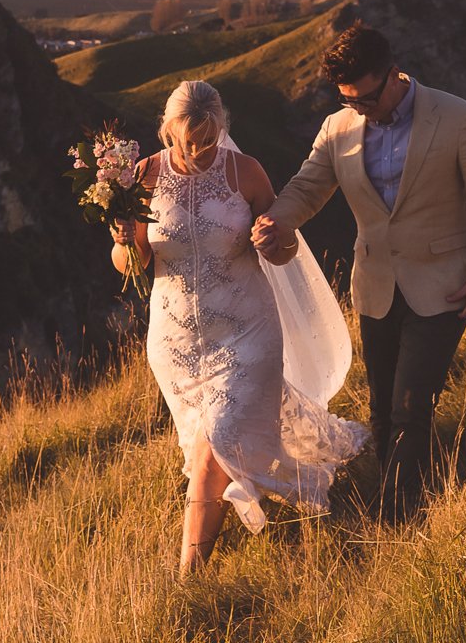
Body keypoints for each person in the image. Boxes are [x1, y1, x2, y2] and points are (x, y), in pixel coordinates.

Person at [251, 24, 466, 520]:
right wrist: (274, 222)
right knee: (383, 406)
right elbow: (308, 189)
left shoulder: (457, 117)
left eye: (367, 97)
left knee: (412, 405)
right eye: (349, 100)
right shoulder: (338, 127)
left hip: (446, 284)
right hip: (375, 286)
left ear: (394, 74)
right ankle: (396, 492)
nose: (359, 108)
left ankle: (396, 514)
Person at [114, 80, 369, 573]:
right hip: (176, 342)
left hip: (246, 332)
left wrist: (274, 242)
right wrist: (123, 239)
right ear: (168, 130)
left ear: (221, 129)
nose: (199, 151)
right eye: (189, 141)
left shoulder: (246, 173)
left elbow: (285, 246)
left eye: (208, 140)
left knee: (218, 442)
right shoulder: (142, 176)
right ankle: (221, 529)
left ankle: (189, 577)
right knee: (202, 444)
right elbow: (133, 264)